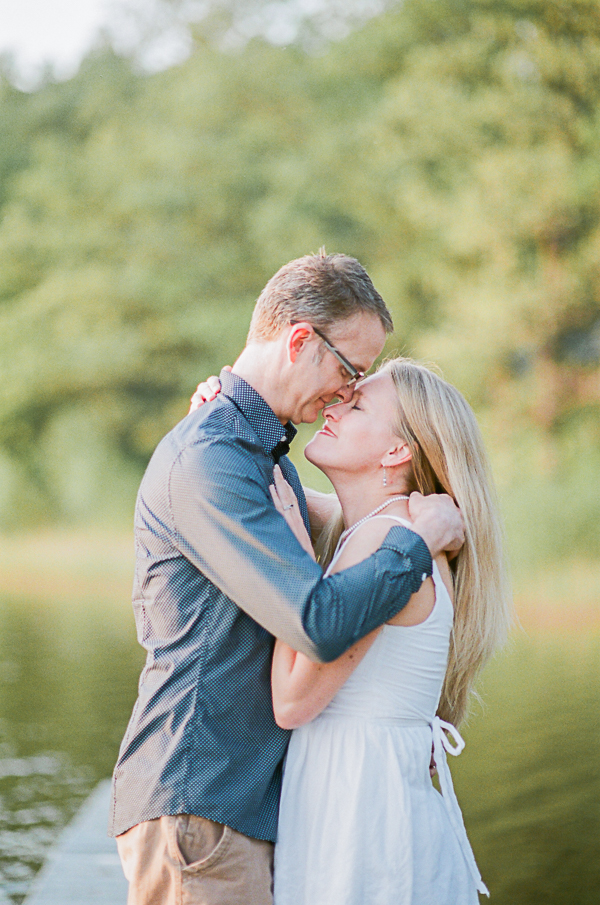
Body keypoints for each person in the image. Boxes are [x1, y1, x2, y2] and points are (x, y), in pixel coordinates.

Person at [109, 251, 464, 905]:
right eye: (349, 369)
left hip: (238, 805)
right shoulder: (214, 458)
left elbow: (338, 519)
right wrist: (417, 539)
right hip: (201, 801)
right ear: (300, 339)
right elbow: (317, 620)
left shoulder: (255, 457)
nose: (347, 389)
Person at [267, 358, 512, 904]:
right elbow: (261, 487)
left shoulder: (387, 542)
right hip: (371, 797)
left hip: (360, 812)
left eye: (356, 406)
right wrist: (221, 408)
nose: (335, 406)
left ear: (398, 452)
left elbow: (292, 699)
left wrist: (293, 556)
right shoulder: (391, 530)